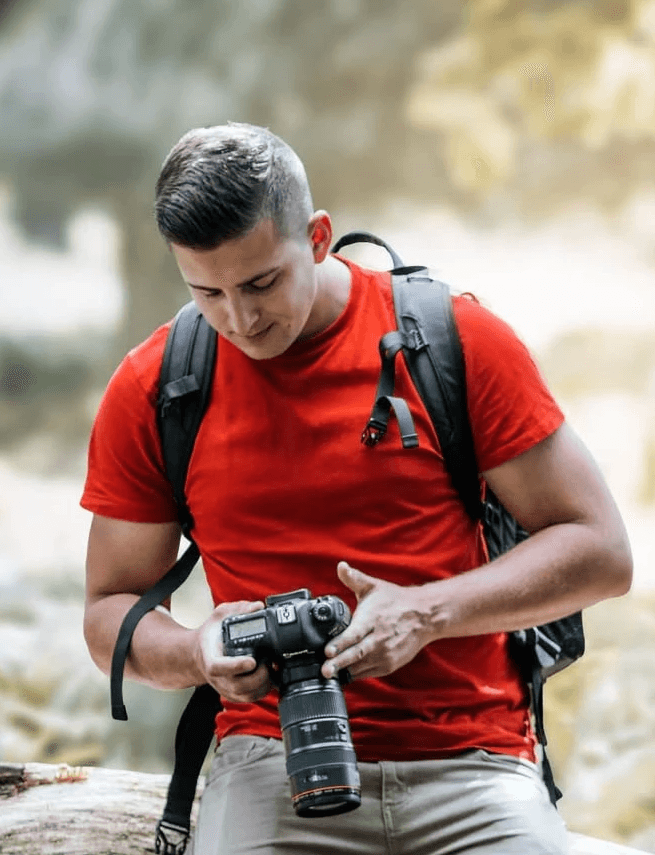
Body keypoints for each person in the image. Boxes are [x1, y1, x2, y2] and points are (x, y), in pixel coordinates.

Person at [81, 122, 633, 855]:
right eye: (206, 291)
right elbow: (107, 610)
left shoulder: (451, 339)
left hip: (471, 764)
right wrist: (195, 651)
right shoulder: (158, 386)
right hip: (268, 764)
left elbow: (602, 551)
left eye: (260, 282)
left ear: (316, 238)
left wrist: (425, 612)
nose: (240, 320)